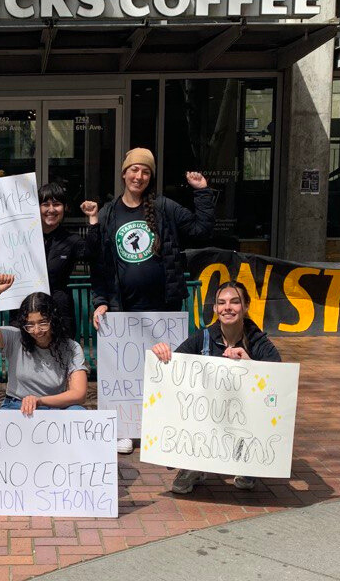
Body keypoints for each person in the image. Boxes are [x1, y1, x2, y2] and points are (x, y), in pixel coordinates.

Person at [81, 148, 216, 453]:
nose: (138, 176)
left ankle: (164, 428)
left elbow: (201, 229)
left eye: (145, 172)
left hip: (163, 307)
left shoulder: (165, 208)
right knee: (123, 372)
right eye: (133, 170)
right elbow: (98, 264)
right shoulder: (109, 213)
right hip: (123, 308)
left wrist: (202, 192)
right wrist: (100, 300)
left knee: (164, 368)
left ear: (150, 177)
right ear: (123, 174)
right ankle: (125, 429)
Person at [151, 280, 282, 494]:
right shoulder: (203, 337)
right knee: (188, 402)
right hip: (209, 416)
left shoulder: (258, 340)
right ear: (215, 309)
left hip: (244, 416)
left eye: (234, 302)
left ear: (246, 306)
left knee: (264, 407)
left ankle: (249, 463)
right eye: (221, 303)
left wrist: (249, 364)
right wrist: (163, 354)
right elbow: (175, 370)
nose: (227, 307)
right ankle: (192, 465)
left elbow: (277, 379)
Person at [0, 274, 88, 416]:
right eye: (30, 325)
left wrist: (40, 401)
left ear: (53, 321)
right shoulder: (14, 337)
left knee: (80, 413)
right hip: (17, 404)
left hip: (54, 406)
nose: (36, 331)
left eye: (43, 323)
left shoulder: (71, 347)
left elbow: (79, 394)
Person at [38, 182, 88, 329]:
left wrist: (92, 220)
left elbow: (95, 255)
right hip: (27, 311)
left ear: (65, 208)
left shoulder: (72, 240)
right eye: (45, 204)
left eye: (57, 204)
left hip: (59, 313)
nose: (51, 209)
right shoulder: (22, 239)